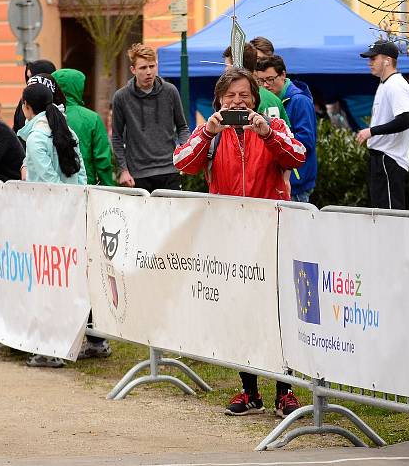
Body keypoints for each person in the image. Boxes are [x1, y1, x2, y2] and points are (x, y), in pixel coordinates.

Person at [174, 68, 306, 418]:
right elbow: (181, 162)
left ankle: (285, 390)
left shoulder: (273, 127)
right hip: (229, 237)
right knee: (239, 313)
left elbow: (298, 156)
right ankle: (249, 391)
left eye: (244, 95)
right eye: (230, 96)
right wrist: (206, 132)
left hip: (272, 234)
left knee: (277, 313)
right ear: (219, 100)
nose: (237, 102)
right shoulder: (212, 135)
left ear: (255, 99)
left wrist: (267, 134)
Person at [111, 43, 189, 193]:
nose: (149, 72)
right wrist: (123, 170)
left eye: (152, 66)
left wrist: (184, 155)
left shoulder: (170, 91)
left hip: (169, 170)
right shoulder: (121, 97)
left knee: (171, 216)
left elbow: (182, 127)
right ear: (133, 70)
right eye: (143, 68)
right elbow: (117, 137)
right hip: (137, 174)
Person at [355, 40, 409, 209]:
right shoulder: (386, 84)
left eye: (373, 58)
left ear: (387, 60)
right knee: (382, 215)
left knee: (390, 217)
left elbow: (407, 119)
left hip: (389, 159)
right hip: (383, 159)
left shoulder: (396, 85)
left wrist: (371, 131)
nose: (369, 63)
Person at [256, 55, 317, 203]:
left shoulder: (299, 101)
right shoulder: (270, 101)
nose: (265, 85)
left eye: (270, 79)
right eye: (261, 81)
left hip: (296, 182)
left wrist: (276, 138)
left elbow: (306, 142)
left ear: (283, 74)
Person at [53, 68, 115, 186]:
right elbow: (102, 159)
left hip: (54, 185)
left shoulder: (46, 115)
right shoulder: (92, 118)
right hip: (86, 183)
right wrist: (109, 187)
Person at [222, 43, 289, 126]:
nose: (225, 70)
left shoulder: (249, 99)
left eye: (227, 67)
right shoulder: (274, 99)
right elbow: (287, 134)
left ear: (236, 67)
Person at [13, 59, 58, 134]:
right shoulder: (24, 101)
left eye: (32, 77)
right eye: (28, 78)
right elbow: (17, 129)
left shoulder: (59, 103)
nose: (29, 81)